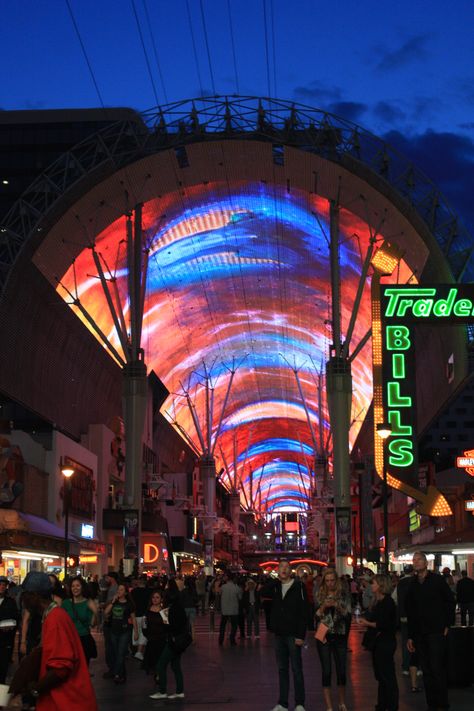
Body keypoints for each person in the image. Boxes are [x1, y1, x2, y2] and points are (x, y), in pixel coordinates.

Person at [8, 571, 97, 710]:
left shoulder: (55, 619)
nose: (23, 600)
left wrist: (34, 690)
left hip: (67, 701)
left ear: (35, 596)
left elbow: (61, 668)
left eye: (25, 595)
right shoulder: (52, 615)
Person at [406, 550, 455, 711]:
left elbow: (449, 601)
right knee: (426, 670)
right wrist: (410, 636)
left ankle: (442, 704)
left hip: (436, 630)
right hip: (420, 633)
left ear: (426, 563)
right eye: (414, 559)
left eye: (419, 559)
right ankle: (432, 703)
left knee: (437, 668)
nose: (416, 561)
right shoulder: (411, 584)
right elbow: (410, 611)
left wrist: (447, 624)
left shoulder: (437, 580)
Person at [269, 559, 308, 711]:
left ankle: (299, 703)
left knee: (297, 669)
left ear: (291, 570)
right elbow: (262, 591)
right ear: (278, 570)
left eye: (286, 567)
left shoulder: (299, 586)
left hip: (293, 634)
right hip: (279, 634)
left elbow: (304, 612)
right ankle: (283, 703)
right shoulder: (276, 586)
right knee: (282, 669)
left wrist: (301, 635)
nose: (284, 569)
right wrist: (275, 580)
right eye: (281, 567)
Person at [360, 574, 398, 711]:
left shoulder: (387, 602)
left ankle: (390, 705)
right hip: (380, 642)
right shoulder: (379, 602)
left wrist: (367, 623)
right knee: (382, 676)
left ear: (381, 585)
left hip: (385, 641)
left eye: (374, 583)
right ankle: (383, 704)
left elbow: (384, 624)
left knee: (386, 676)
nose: (372, 585)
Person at [314, 567, 351, 711]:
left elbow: (348, 615)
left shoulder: (343, 594)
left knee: (341, 671)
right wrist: (323, 606)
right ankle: (329, 707)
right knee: (326, 671)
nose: (330, 583)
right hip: (323, 636)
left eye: (332, 580)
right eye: (327, 580)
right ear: (324, 581)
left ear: (336, 581)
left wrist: (337, 606)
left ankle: (342, 703)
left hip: (340, 635)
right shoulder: (320, 593)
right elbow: (315, 616)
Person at [150, 579, 188, 700]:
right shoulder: (180, 606)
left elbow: (170, 626)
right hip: (181, 640)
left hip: (173, 641)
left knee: (161, 664)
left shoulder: (170, 609)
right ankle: (179, 690)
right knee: (176, 666)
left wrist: (165, 624)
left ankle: (162, 691)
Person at [104, 583, 138, 683]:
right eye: (118, 589)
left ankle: (117, 673)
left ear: (126, 592)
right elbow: (106, 612)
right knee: (116, 653)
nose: (119, 591)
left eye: (121, 590)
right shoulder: (114, 602)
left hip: (125, 631)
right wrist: (113, 602)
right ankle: (122, 675)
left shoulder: (129, 604)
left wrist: (136, 632)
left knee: (120, 653)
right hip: (114, 631)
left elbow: (133, 618)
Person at [392, 566, 420, 690]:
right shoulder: (417, 581)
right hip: (416, 617)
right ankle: (417, 667)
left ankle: (405, 667)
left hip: (403, 617)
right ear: (413, 571)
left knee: (405, 642)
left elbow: (394, 599)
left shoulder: (400, 583)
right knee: (417, 641)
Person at [61, 576, 98, 665]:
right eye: (73, 586)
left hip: (84, 639)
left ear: (82, 587)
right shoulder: (66, 603)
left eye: (78, 586)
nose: (75, 588)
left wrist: (95, 611)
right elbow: (62, 622)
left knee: (83, 666)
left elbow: (92, 624)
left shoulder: (88, 602)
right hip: (70, 639)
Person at [142, 590, 168, 675]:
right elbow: (144, 624)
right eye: (153, 597)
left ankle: (159, 676)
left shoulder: (164, 611)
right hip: (151, 639)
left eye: (157, 597)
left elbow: (167, 626)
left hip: (161, 639)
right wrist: (146, 634)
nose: (155, 599)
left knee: (160, 660)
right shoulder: (147, 610)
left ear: (161, 599)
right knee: (152, 660)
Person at [0, 576, 19, 683]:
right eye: (0, 585)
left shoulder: (10, 602)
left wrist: (10, 627)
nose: (2, 587)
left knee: (3, 669)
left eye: (4, 585)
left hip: (6, 641)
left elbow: (15, 618)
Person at [218, 572, 242, 646]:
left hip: (224, 609)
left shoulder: (223, 587)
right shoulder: (237, 588)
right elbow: (240, 598)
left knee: (223, 625)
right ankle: (232, 640)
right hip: (234, 609)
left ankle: (221, 640)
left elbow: (219, 594)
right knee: (234, 625)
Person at [131, 575, 150, 660]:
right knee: (144, 633)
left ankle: (137, 650)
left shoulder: (133, 592)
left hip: (135, 615)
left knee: (136, 631)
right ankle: (139, 651)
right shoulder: (149, 591)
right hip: (145, 615)